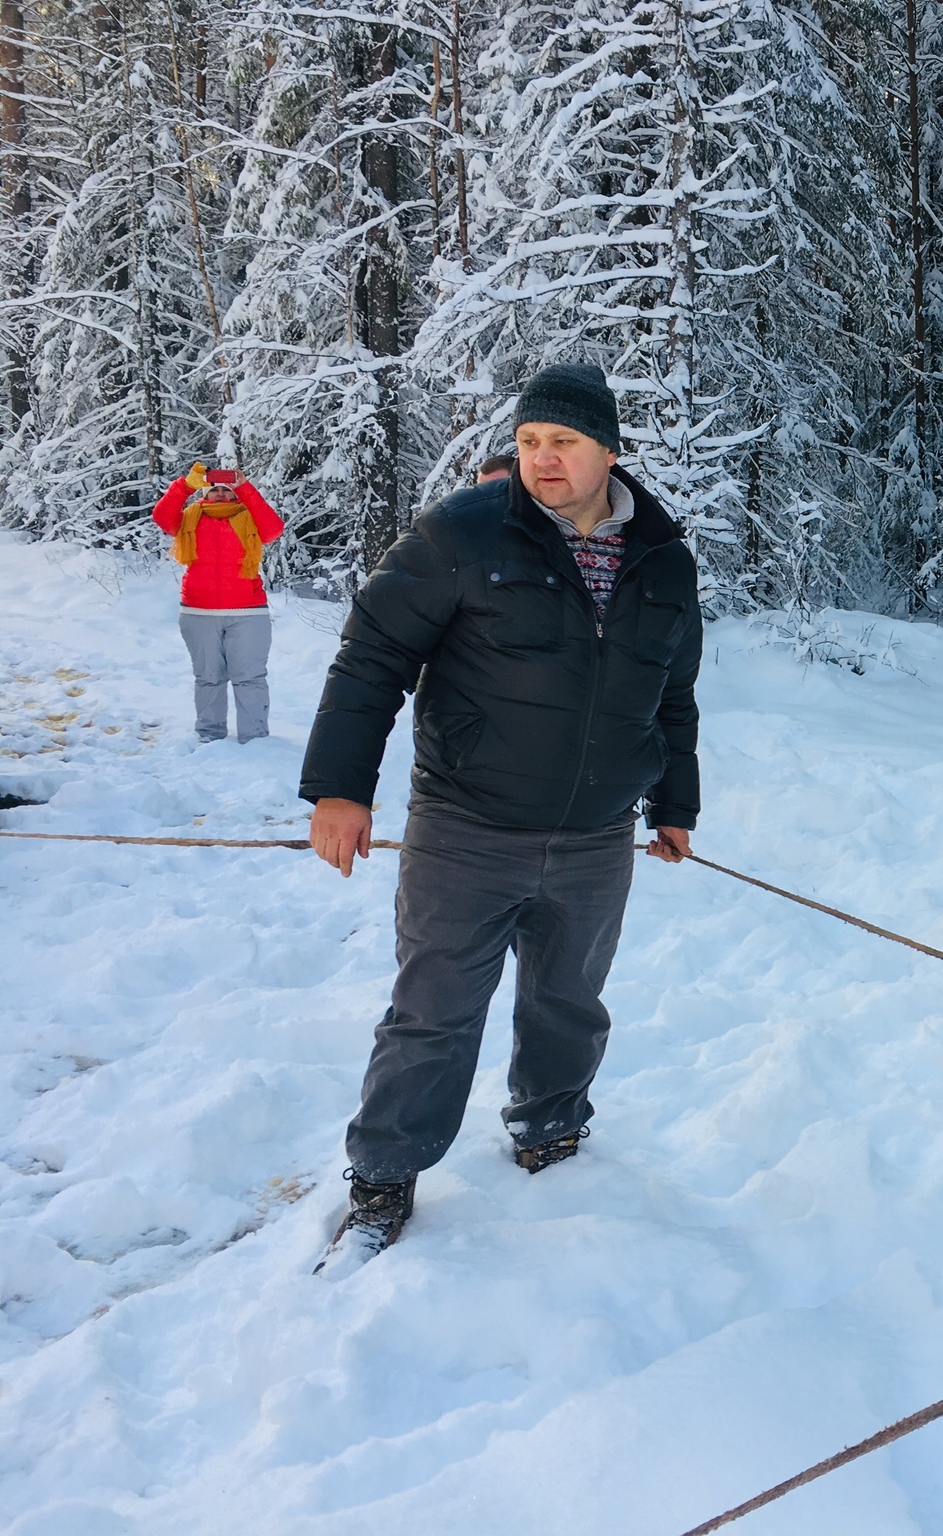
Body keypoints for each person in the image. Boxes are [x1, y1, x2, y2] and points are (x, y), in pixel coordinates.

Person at [299, 363, 704, 1261]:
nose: (541, 460)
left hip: (598, 833)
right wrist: (339, 789)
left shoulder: (665, 559)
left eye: (562, 442)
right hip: (468, 827)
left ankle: (551, 1127)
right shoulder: (464, 531)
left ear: (609, 450)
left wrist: (674, 801)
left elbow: (672, 694)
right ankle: (383, 1176)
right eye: (527, 442)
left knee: (568, 1001)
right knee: (435, 1009)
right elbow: (372, 655)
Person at [150, 464, 285, 744]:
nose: (221, 495)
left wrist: (245, 488)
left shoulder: (250, 518)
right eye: (215, 490)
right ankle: (210, 737)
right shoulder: (189, 518)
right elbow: (162, 517)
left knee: (250, 678)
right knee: (208, 677)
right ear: (205, 493)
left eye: (227, 490)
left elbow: (273, 529)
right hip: (198, 612)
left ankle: (256, 739)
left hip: (248, 612)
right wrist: (185, 485)